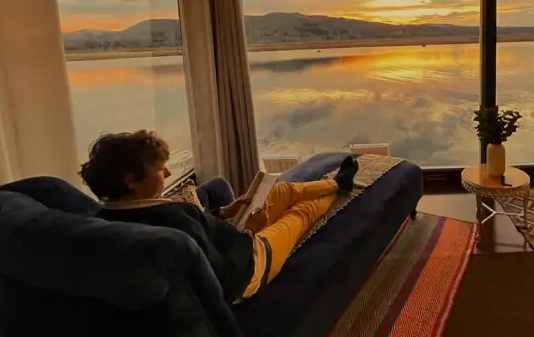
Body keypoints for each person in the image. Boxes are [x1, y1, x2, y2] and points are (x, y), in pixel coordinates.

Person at [78, 130, 359, 303]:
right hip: (249, 265)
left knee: (280, 191)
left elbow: (201, 232)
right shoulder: (174, 220)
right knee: (299, 214)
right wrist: (250, 232)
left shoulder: (104, 218)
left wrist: (225, 212)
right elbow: (225, 278)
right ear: (131, 180)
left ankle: (336, 182)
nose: (168, 174)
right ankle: (336, 191)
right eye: (160, 169)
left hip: (227, 236)